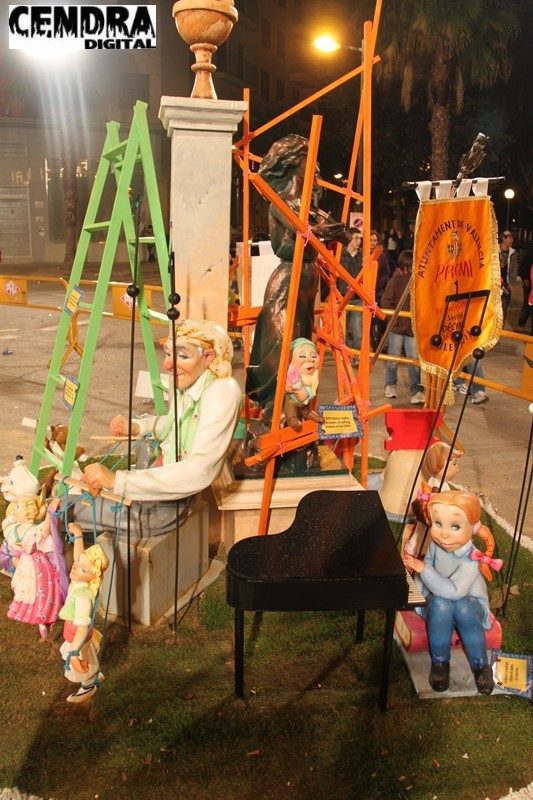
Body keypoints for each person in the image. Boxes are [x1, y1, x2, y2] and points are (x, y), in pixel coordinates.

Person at [80, 319, 242, 537]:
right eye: (168, 354)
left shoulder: (222, 392)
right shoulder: (194, 381)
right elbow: (175, 424)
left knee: (71, 508)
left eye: (182, 356)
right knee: (80, 496)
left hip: (167, 505)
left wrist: (117, 480)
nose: (167, 365)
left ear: (208, 357)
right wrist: (138, 426)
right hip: (159, 482)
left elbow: (200, 470)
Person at [245, 133, 349, 422]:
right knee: (281, 344)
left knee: (304, 348)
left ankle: (300, 406)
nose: (317, 172)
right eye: (311, 163)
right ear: (295, 163)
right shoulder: (281, 202)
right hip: (288, 280)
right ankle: (276, 408)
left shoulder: (310, 207)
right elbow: (293, 240)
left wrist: (333, 230)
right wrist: (320, 232)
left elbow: (340, 234)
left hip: (307, 280)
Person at [402, 489, 501, 695]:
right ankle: (440, 663)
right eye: (438, 524)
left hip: (469, 605)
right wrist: (416, 592)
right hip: (439, 604)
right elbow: (426, 581)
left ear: (473, 528)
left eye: (455, 526)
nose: (444, 534)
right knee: (440, 605)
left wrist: (423, 569)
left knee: (463, 607)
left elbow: (455, 591)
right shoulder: (435, 547)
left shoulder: (472, 559)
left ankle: (480, 665)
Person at [2, 493, 67, 640]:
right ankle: (31, 611)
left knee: (39, 589)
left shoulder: (33, 530)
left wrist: (50, 514)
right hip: (25, 564)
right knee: (27, 589)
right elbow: (6, 527)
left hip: (35, 563)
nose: (14, 510)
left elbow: (44, 530)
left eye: (18, 507)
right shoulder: (14, 529)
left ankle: (43, 617)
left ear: (27, 512)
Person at [59, 522, 109, 704]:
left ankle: (89, 685)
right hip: (74, 633)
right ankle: (94, 674)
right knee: (89, 656)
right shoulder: (80, 582)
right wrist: (78, 535)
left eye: (82, 567)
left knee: (83, 662)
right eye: (78, 563)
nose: (75, 566)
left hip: (77, 638)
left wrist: (74, 652)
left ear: (92, 576)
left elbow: (82, 627)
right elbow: (79, 557)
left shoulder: (83, 597)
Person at [402, 441, 462, 558]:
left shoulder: (438, 483)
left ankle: (416, 549)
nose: (457, 468)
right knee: (425, 538)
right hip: (432, 520)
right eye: (454, 464)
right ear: (439, 466)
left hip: (434, 520)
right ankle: (422, 552)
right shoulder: (436, 486)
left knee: (420, 534)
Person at [381, 250, 425, 405]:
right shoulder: (395, 280)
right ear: (405, 266)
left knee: (413, 360)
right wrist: (395, 320)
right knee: (393, 358)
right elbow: (386, 301)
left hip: (412, 329)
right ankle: (390, 385)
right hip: (397, 329)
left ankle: (416, 390)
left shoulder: (418, 280)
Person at [284, 338, 324, 431]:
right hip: (293, 399)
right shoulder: (291, 371)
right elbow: (285, 386)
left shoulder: (313, 374)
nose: (310, 359)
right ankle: (292, 419)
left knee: (307, 407)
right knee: (290, 408)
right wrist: (292, 388)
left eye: (313, 356)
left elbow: (314, 385)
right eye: (302, 356)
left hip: (307, 398)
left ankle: (308, 412)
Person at [337, 228, 363, 357]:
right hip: (342, 296)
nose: (359, 241)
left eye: (360, 239)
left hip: (357, 297)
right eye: (356, 238)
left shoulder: (363, 256)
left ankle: (357, 356)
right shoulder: (340, 255)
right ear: (349, 239)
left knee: (357, 330)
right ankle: (345, 355)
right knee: (343, 330)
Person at [369, 228, 391, 351]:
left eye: (374, 240)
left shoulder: (382, 256)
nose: (373, 243)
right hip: (363, 292)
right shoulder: (363, 254)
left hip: (377, 293)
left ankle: (377, 343)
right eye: (370, 240)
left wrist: (378, 284)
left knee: (378, 320)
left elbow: (386, 273)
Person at [498, 230, 517, 326]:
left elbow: (514, 268)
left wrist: (512, 282)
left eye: (512, 238)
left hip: (506, 284)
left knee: (504, 306)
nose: (512, 240)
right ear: (503, 238)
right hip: (495, 283)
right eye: (510, 238)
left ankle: (501, 326)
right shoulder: (495, 250)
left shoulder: (513, 253)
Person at [517, 245, 533, 333]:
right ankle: (522, 322)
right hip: (528, 282)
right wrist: (525, 278)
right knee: (527, 302)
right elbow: (523, 267)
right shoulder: (529, 254)